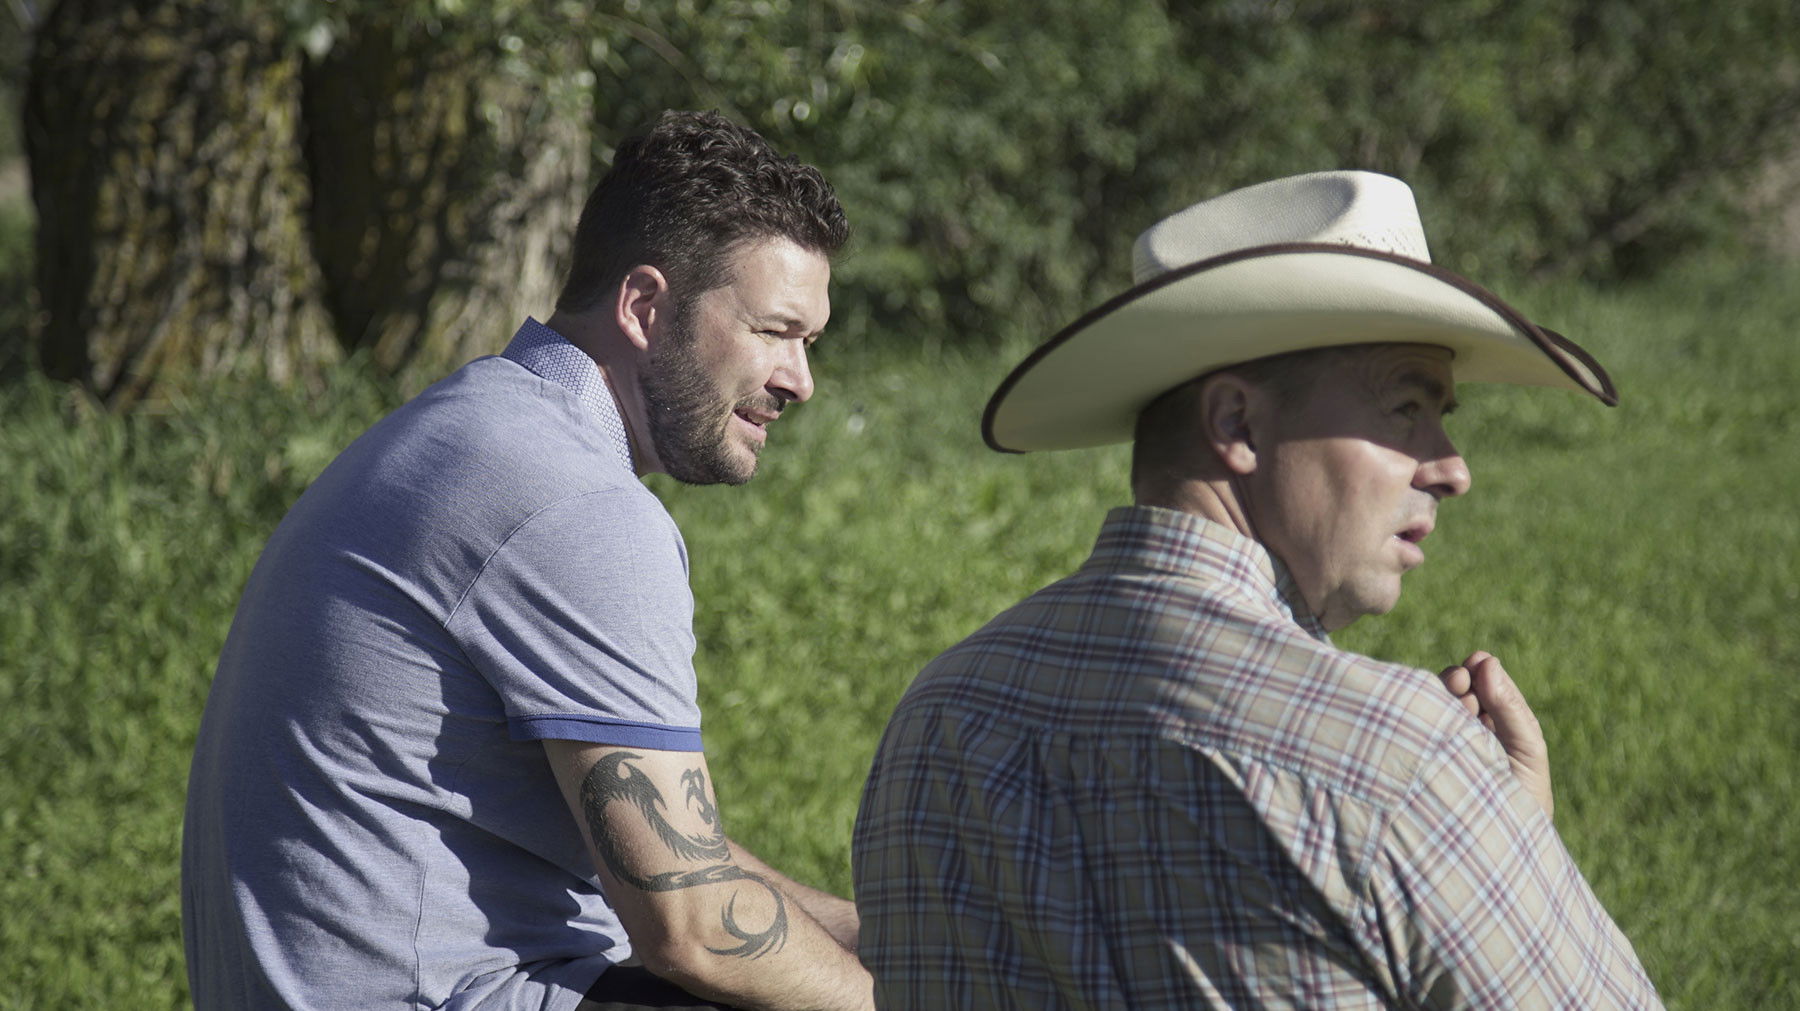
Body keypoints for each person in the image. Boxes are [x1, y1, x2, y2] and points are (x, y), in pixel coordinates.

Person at [852, 171, 1663, 1008]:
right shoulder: (1397, 761)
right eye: (1406, 407)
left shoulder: (936, 718)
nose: (1452, 467)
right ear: (1236, 423)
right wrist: (1497, 837)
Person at [183, 110, 874, 1011]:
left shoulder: (468, 427)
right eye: (775, 331)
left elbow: (670, 847)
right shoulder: (576, 505)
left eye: (809, 342)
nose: (799, 380)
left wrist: (883, 936)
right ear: (644, 307)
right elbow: (692, 927)